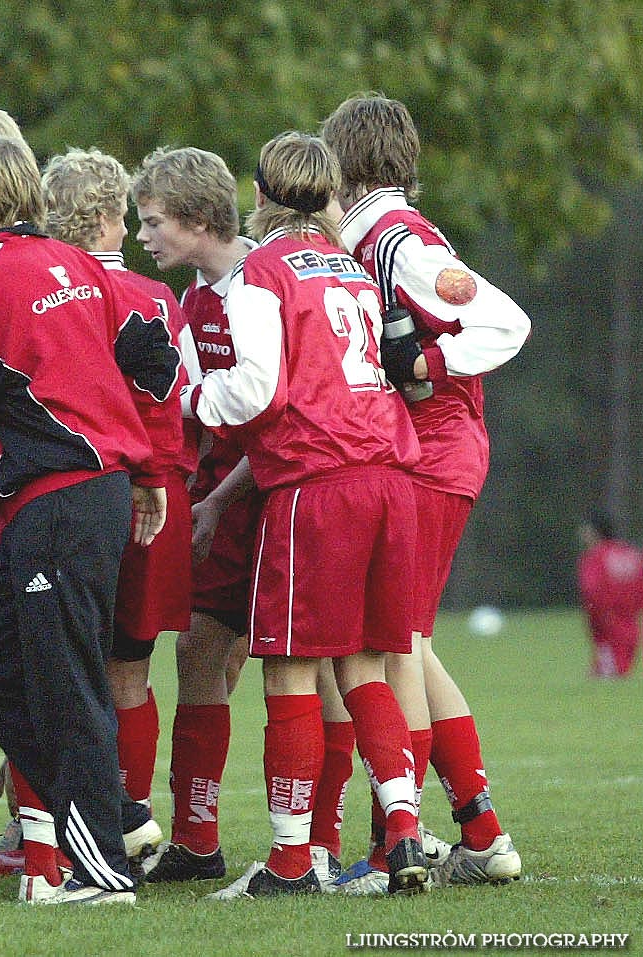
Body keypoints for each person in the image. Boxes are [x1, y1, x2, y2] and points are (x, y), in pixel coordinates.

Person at [0, 134, 179, 905]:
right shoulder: (82, 265)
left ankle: (102, 871)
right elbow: (146, 360)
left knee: (66, 684)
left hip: (56, 496)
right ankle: (106, 809)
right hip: (93, 490)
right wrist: (151, 470)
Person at [188, 131, 427, 898]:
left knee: (289, 667)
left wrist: (190, 396)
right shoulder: (351, 267)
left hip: (318, 483)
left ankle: (293, 858)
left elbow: (257, 390)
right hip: (388, 476)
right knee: (363, 665)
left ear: (260, 194)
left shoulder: (263, 269)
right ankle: (404, 831)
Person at [324, 93, 529, 888]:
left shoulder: (397, 238)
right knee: (413, 642)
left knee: (396, 645)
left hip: (433, 450)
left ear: (343, 161)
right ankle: (478, 830)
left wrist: (422, 367)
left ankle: (393, 846)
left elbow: (505, 323)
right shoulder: (373, 234)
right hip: (424, 453)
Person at [40, 147, 193, 873]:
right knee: (130, 669)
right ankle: (132, 814)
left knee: (61, 663)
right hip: (150, 494)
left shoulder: (40, 290)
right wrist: (159, 473)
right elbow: (174, 395)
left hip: (70, 495)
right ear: (104, 216)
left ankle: (59, 823)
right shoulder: (153, 296)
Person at [128, 146, 256, 883]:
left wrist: (219, 496)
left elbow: (280, 416)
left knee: (325, 667)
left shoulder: (264, 283)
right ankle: (197, 837)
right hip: (226, 498)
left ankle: (359, 833)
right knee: (204, 652)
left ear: (201, 220)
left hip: (275, 494)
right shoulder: (187, 301)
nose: (144, 238)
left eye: (154, 223)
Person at [577, 513, 643, 677]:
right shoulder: (632, 554)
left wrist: (596, 619)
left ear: (595, 531)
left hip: (608, 626)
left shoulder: (595, 557)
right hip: (630, 626)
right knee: (614, 676)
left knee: (607, 679)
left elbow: (591, 592)